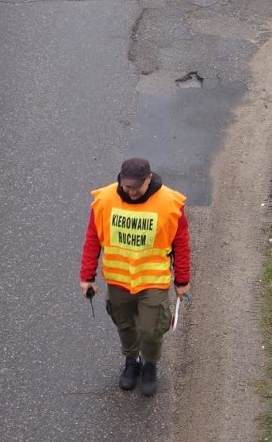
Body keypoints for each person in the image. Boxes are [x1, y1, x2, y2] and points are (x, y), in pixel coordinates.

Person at [80, 157, 191, 398]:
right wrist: (87, 276)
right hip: (119, 281)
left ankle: (149, 365)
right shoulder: (105, 200)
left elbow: (181, 243)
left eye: (135, 186)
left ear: (148, 179)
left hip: (152, 281)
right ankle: (132, 362)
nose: (129, 190)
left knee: (151, 330)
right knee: (125, 324)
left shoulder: (170, 203)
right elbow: (93, 238)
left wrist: (182, 281)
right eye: (126, 184)